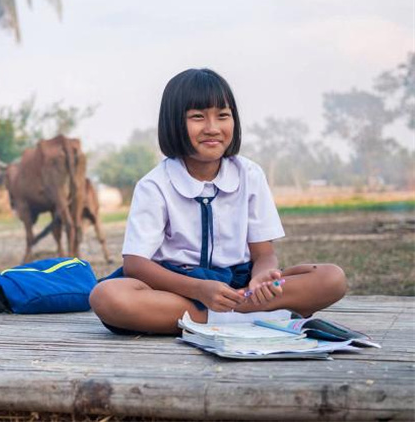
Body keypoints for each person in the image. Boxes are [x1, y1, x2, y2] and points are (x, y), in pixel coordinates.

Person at [89, 68, 347, 335]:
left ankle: (217, 316)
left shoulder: (250, 174)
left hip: (241, 289)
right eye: (198, 117)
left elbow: (264, 254)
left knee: (331, 279)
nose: (212, 128)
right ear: (173, 124)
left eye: (223, 116)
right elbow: (136, 264)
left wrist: (261, 278)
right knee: (107, 296)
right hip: (178, 289)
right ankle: (237, 318)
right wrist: (199, 289)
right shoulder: (154, 185)